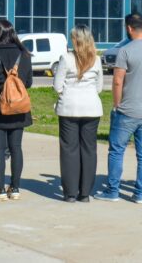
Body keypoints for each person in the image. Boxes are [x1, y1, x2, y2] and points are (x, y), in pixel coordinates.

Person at [95, 13, 142, 204]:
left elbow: (118, 81)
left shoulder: (125, 51)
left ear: (128, 28)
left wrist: (117, 105)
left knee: (117, 151)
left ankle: (113, 190)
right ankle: (140, 193)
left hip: (128, 110)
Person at [0, 19, 33, 201]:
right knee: (16, 147)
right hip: (18, 106)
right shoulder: (24, 54)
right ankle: (15, 188)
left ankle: (0, 188)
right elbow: (29, 83)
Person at [52, 25, 104, 202]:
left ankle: (70, 192)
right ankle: (85, 192)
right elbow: (99, 87)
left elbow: (57, 86)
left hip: (69, 107)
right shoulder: (96, 60)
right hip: (92, 107)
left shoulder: (66, 58)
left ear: (75, 40)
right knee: (89, 149)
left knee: (69, 149)